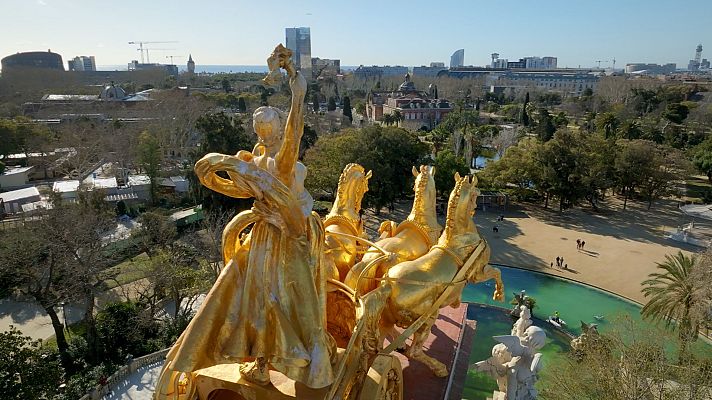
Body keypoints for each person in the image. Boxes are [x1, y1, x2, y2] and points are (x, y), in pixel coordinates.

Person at [158, 44, 334, 391]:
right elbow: (246, 182)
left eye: (265, 128)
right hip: (275, 237)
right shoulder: (264, 160)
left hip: (281, 235)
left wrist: (297, 93)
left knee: (274, 299)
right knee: (273, 298)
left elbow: (289, 140)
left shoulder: (270, 161)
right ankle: (283, 359)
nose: (263, 134)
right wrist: (296, 92)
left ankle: (282, 360)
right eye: (262, 129)